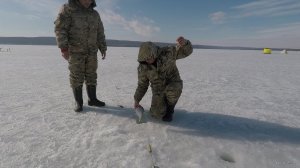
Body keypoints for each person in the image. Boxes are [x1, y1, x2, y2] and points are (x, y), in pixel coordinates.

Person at [54, 0, 107, 112]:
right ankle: (78, 102)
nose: (88, 1)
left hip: (92, 51)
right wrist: (63, 48)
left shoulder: (95, 14)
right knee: (76, 76)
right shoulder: (68, 9)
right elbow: (60, 29)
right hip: (75, 51)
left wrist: (102, 47)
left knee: (91, 75)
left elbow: (100, 32)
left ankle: (92, 99)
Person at [134, 36, 193, 122]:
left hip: (173, 82)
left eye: (149, 58)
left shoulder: (168, 52)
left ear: (153, 53)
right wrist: (136, 100)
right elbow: (142, 85)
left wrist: (185, 44)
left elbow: (186, 51)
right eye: (145, 59)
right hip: (158, 89)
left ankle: (170, 109)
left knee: (173, 90)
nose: (147, 61)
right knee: (156, 115)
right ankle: (163, 103)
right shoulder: (143, 67)